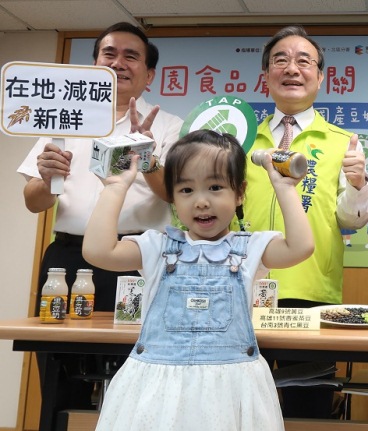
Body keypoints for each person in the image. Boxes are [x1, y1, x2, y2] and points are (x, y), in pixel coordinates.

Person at [82, 129, 314, 430]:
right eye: (186, 190)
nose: (201, 202)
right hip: (158, 392)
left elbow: (301, 247)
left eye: (215, 187)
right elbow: (98, 251)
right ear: (173, 197)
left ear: (240, 192)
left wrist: (284, 187)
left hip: (230, 392)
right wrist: (114, 189)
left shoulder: (250, 249)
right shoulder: (157, 247)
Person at [16, 21, 183, 418]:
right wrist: (43, 177)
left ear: (148, 74)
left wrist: (146, 156)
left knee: (138, 370)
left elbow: (173, 195)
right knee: (59, 364)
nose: (119, 63)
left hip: (137, 260)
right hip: (68, 260)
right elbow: (33, 203)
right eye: (109, 54)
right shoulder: (63, 117)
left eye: (131, 56)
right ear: (94, 64)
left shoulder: (168, 125)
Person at [238, 25, 368, 419]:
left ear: (320, 76)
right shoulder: (241, 141)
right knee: (239, 406)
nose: (292, 68)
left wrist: (358, 184)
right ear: (266, 77)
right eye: (280, 60)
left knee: (308, 411)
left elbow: (352, 220)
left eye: (304, 61)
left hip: (311, 293)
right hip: (241, 289)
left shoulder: (342, 141)